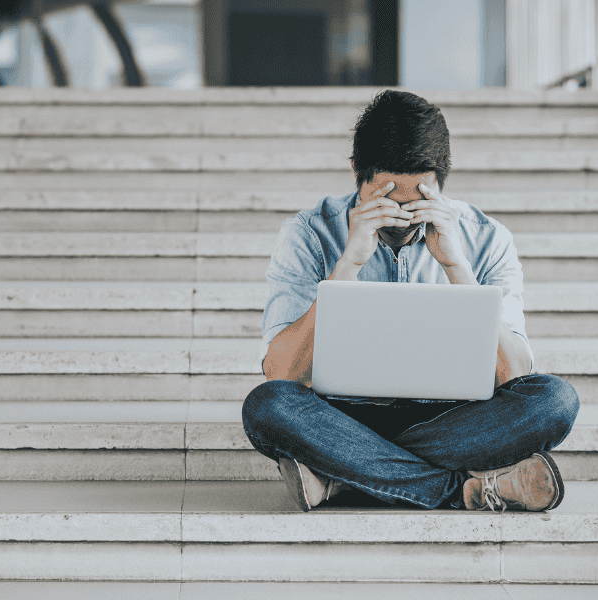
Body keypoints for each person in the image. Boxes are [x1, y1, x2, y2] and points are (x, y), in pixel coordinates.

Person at [242, 90, 580, 513]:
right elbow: (280, 373)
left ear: (441, 182)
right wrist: (349, 264)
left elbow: (513, 375)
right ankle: (465, 490)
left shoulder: (487, 238)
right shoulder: (308, 234)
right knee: (267, 408)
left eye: (415, 201)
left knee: (555, 401)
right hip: (342, 418)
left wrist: (456, 265)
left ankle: (345, 473)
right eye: (384, 200)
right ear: (355, 172)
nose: (399, 217)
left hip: (453, 421)